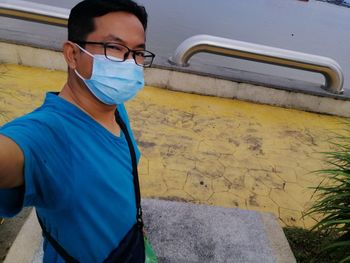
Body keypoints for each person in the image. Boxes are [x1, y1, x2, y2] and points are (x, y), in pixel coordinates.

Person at [0, 0, 155, 262]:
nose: (130, 63)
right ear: (73, 54)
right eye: (114, 47)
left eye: (138, 52)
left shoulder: (114, 107)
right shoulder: (48, 134)